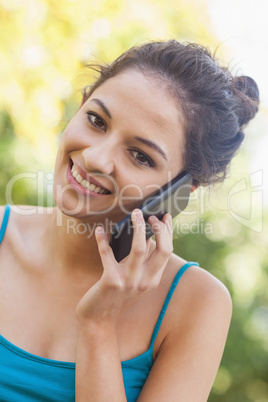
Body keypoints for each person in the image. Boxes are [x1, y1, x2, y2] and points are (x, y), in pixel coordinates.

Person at [0, 40, 259, 401]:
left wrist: (98, 325)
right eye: (96, 120)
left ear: (181, 192)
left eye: (140, 155)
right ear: (80, 105)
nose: (96, 159)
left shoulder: (196, 303)